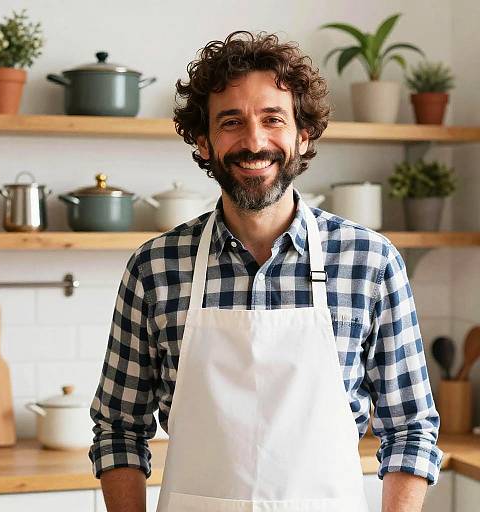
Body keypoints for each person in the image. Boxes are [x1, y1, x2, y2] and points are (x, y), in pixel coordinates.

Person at [89, 31, 443, 512]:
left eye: (272, 119)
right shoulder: (154, 268)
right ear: (205, 141)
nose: (253, 141)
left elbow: (410, 428)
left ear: (303, 134)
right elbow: (118, 428)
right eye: (231, 122)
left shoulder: (370, 262)